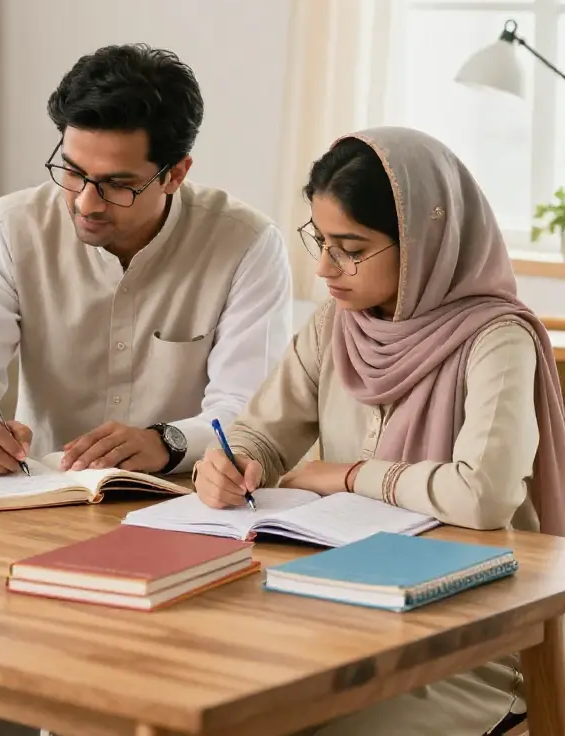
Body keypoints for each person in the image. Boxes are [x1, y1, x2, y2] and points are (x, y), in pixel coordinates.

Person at [0, 43, 291, 736]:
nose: (85, 201)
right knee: (2, 703)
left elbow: (252, 408)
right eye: (72, 170)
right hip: (34, 516)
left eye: (117, 183)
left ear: (177, 172)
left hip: (186, 526)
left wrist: (165, 441)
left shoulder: (245, 243)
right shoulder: (13, 225)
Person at [195, 126, 565, 736]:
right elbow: (263, 433)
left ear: (421, 244)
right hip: (338, 609)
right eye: (320, 240)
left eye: (350, 246)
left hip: (469, 634)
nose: (324, 269)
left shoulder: (497, 338)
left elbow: (483, 496)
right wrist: (232, 462)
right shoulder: (336, 325)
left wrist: (347, 476)